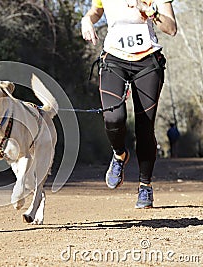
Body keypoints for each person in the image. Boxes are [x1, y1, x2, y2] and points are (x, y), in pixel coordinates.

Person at [81, 0, 177, 208]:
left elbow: (171, 28)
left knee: (145, 127)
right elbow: (96, 11)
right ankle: (119, 154)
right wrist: (87, 20)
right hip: (114, 58)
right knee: (113, 117)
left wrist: (149, 11)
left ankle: (145, 186)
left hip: (148, 61)